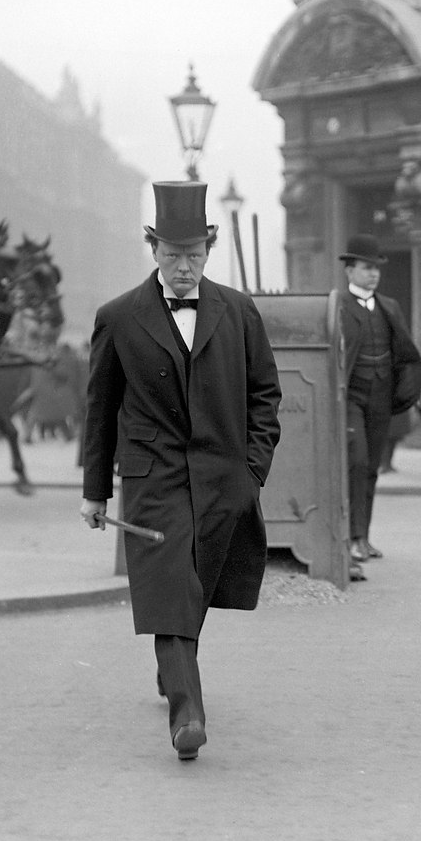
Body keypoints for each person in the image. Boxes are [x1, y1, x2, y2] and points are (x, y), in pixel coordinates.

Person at [79, 181, 281, 762]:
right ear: (154, 252)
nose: (184, 268)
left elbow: (265, 396)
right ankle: (186, 713)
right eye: (172, 257)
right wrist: (95, 492)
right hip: (152, 476)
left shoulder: (239, 313)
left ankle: (173, 672)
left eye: (194, 256)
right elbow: (99, 410)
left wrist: (253, 470)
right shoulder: (117, 318)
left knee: (195, 583)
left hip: (223, 478)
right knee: (169, 581)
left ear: (209, 252)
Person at [337, 234, 421, 582]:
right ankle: (351, 537)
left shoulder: (389, 307)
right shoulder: (338, 305)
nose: (373, 275)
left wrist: (418, 388)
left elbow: (404, 351)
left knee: (371, 467)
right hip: (351, 396)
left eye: (376, 269)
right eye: (366, 268)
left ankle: (363, 537)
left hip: (381, 397)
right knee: (355, 463)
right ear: (349, 270)